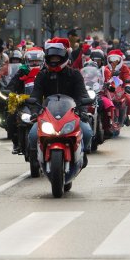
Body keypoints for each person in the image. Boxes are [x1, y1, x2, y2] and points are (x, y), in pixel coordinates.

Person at [27, 39, 93, 168]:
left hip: (72, 113)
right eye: (51, 57)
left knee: (87, 131)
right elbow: (35, 95)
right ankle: (35, 159)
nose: (54, 60)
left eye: (57, 57)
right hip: (48, 114)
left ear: (64, 57)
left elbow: (82, 95)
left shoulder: (74, 74)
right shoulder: (42, 75)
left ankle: (82, 153)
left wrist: (83, 110)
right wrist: (34, 112)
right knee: (33, 134)